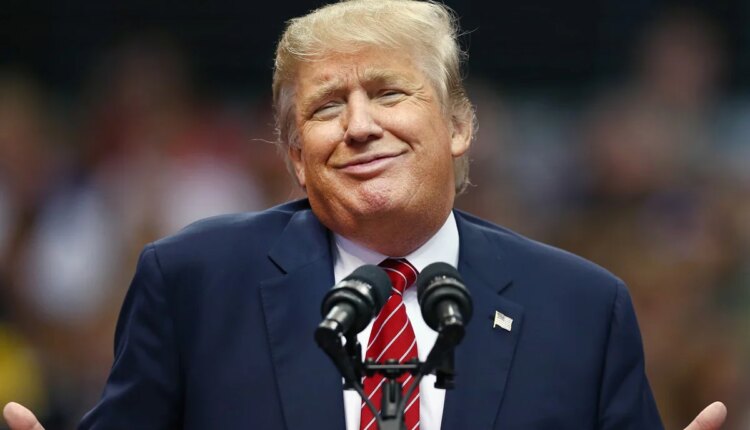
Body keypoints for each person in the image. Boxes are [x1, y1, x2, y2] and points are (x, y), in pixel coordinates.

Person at [2, 1, 728, 429]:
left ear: (459, 125)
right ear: (295, 155)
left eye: (388, 93)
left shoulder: (582, 308)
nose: (359, 126)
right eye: (326, 107)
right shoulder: (192, 284)